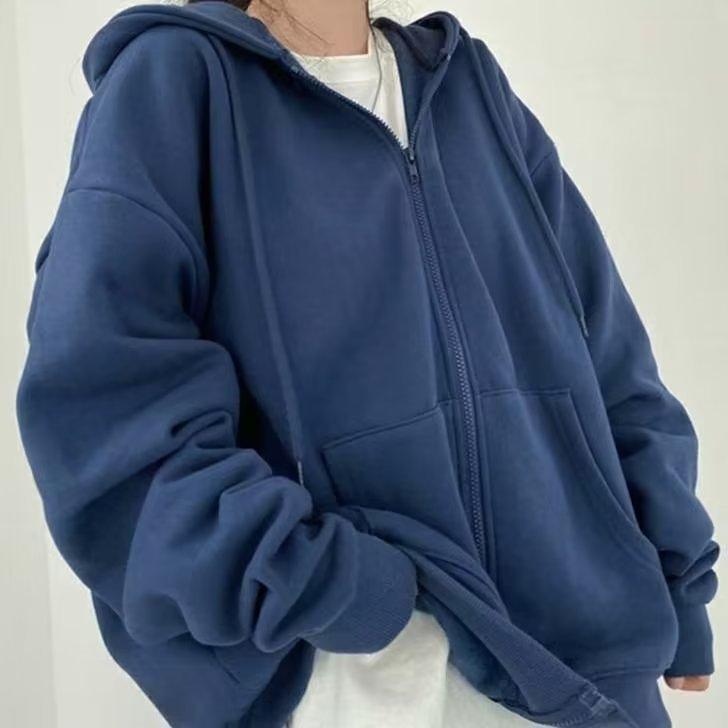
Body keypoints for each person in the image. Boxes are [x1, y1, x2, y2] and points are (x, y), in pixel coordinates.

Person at [16, 1, 719, 727]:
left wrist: (678, 570)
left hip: (587, 676)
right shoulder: (174, 84)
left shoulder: (470, 88)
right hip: (370, 682)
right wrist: (325, 584)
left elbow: (611, 357)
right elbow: (100, 411)